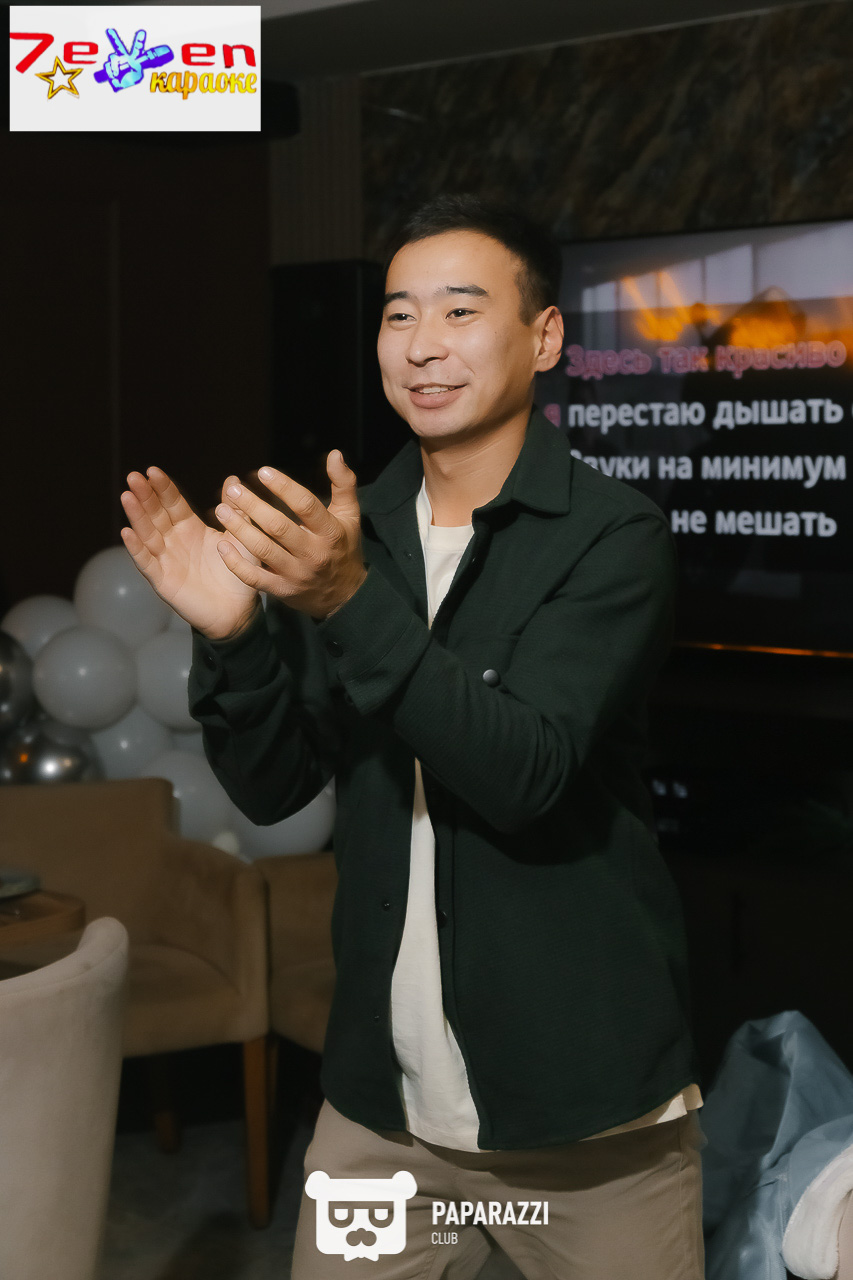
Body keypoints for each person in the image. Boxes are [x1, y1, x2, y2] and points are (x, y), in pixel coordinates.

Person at [120, 194, 705, 1280]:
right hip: (382, 1112)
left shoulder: (609, 536)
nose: (422, 345)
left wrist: (348, 603)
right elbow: (272, 786)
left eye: (459, 311)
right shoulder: (354, 536)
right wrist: (235, 635)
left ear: (542, 337)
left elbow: (523, 772)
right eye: (398, 315)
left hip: (585, 1115)